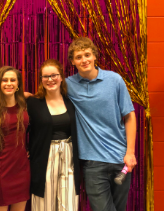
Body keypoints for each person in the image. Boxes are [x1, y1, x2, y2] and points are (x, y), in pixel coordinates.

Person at [66, 37, 137, 211]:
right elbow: (46, 93)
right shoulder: (68, 85)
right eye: (79, 57)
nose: (84, 60)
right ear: (72, 61)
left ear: (95, 56)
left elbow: (129, 116)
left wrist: (130, 153)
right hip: (93, 163)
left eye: (87, 55)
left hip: (120, 159)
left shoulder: (115, 80)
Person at [27, 59, 80, 211]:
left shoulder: (71, 102)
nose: (50, 80)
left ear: (61, 77)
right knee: (44, 205)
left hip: (69, 156)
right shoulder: (33, 103)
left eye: (54, 75)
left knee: (69, 205)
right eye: (45, 76)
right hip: (44, 158)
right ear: (41, 80)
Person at [0, 66, 30, 211]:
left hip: (22, 170)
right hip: (0, 171)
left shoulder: (26, 101)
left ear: (18, 84)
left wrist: (32, 149)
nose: (9, 83)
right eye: (5, 80)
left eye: (12, 80)